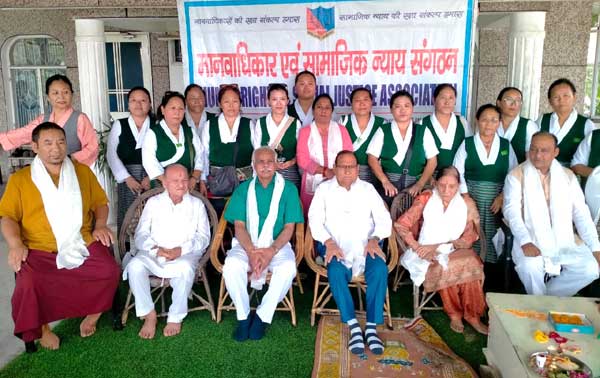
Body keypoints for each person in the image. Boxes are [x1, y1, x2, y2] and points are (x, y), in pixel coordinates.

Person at [0, 122, 120, 350]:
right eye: (48, 143)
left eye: (61, 141)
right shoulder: (20, 180)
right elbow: (7, 217)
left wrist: (101, 225)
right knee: (29, 283)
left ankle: (93, 314)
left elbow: (100, 203)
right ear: (34, 146)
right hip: (38, 247)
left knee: (109, 270)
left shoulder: (82, 171)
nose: (56, 148)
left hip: (80, 239)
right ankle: (42, 327)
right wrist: (15, 244)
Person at [308, 150, 391, 355]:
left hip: (366, 246)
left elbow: (384, 219)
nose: (347, 170)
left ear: (357, 169)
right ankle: (354, 327)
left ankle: (371, 328)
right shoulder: (324, 189)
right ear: (335, 168)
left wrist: (375, 239)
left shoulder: (368, 189)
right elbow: (314, 220)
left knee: (379, 270)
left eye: (351, 166)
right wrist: (329, 242)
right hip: (336, 247)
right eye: (342, 166)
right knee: (335, 272)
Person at [503, 131, 600, 296]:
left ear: (556, 152)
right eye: (533, 149)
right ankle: (541, 303)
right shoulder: (516, 175)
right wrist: (525, 241)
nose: (537, 155)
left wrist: (595, 247)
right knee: (530, 267)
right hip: (529, 237)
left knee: (590, 268)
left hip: (564, 238)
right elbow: (511, 212)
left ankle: (544, 299)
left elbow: (581, 213)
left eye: (544, 150)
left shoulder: (567, 176)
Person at [222, 147, 303, 341]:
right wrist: (251, 251)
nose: (266, 165)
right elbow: (239, 226)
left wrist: (271, 251)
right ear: (254, 165)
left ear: (276, 164)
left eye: (270, 161)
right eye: (261, 161)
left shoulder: (289, 189)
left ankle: (261, 317)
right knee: (232, 266)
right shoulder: (243, 189)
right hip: (246, 244)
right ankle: (243, 317)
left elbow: (289, 228)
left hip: (277, 246)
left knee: (287, 268)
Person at [395, 167, 487, 335]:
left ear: (458, 186)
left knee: (468, 261)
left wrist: (445, 244)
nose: (446, 190)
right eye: (442, 185)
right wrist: (417, 247)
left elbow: (471, 234)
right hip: (423, 249)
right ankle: (455, 314)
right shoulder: (426, 198)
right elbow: (401, 224)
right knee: (445, 265)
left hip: (453, 247)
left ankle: (473, 315)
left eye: (451, 186)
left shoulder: (465, 203)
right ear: (435, 183)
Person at [123, 164, 211, 339]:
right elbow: (141, 234)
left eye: (184, 180)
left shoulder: (197, 204)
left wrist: (181, 250)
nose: (181, 184)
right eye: (175, 181)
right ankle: (149, 314)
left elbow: (204, 237)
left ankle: (175, 316)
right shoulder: (153, 203)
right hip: (154, 253)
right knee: (135, 266)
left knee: (185, 269)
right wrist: (156, 250)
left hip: (185, 255)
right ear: (165, 183)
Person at [453, 104, 517, 292]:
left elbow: (513, 174)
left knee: (494, 236)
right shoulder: (467, 144)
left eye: (494, 120)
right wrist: (467, 198)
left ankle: (491, 281)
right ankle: (470, 281)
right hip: (471, 197)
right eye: (484, 119)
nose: (489, 124)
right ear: (477, 121)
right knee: (472, 233)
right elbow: (458, 171)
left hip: (497, 201)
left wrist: (503, 195)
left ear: (499, 122)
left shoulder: (505, 145)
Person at [0, 74, 98, 166]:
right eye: (55, 93)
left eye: (66, 92)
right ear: (48, 97)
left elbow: (93, 147)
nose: (61, 97)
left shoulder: (80, 119)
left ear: (72, 94)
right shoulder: (43, 120)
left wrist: (71, 159)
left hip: (74, 171)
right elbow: (23, 133)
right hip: (47, 173)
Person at [367, 90, 438, 205]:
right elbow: (372, 158)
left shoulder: (422, 130)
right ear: (391, 110)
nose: (402, 110)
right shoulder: (384, 130)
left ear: (412, 108)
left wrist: (420, 184)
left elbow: (432, 161)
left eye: (406, 105)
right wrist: (385, 181)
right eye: (397, 106)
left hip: (415, 189)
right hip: (389, 189)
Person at [107, 86, 153, 233]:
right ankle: (126, 250)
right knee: (128, 214)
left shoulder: (157, 124)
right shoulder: (120, 124)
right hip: (128, 176)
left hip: (151, 176)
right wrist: (127, 178)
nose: (138, 104)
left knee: (151, 213)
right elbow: (111, 154)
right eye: (133, 100)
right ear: (128, 104)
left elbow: (163, 154)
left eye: (143, 100)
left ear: (150, 104)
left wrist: (151, 177)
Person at [296, 93, 352, 213]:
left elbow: (349, 155)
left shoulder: (342, 130)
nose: (323, 111)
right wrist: (325, 171)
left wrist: (336, 172)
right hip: (312, 180)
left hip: (338, 177)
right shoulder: (305, 131)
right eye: (319, 107)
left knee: (337, 212)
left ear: (332, 111)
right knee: (312, 214)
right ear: (313, 110)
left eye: (327, 108)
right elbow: (302, 159)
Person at [142, 91, 204, 193]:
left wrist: (193, 178)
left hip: (188, 186)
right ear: (163, 110)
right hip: (162, 187)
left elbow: (200, 156)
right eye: (173, 108)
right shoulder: (153, 133)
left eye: (181, 108)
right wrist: (166, 182)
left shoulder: (189, 132)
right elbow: (149, 161)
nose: (177, 112)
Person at [201, 84, 255, 199]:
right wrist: (202, 180)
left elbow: (256, 154)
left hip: (245, 184)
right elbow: (203, 155)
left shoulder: (248, 124)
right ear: (220, 104)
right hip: (218, 184)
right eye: (226, 102)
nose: (231, 105)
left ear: (240, 103)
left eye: (235, 101)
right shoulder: (210, 125)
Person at [537, 78, 596, 166]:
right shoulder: (542, 120)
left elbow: (591, 155)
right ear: (550, 101)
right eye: (556, 97)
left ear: (574, 97)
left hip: (572, 174)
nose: (561, 100)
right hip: (542, 171)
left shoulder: (586, 124)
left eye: (566, 96)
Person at [252, 83, 301, 187]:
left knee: (288, 200)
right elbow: (256, 152)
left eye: (282, 99)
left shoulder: (295, 123)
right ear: (268, 101)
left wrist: (292, 162)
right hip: (266, 171)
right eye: (274, 99)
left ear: (287, 101)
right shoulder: (261, 123)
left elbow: (301, 151)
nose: (279, 103)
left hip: (289, 172)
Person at [339, 87, 385, 183]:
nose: (362, 103)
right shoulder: (344, 121)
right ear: (351, 104)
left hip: (374, 172)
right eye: (357, 100)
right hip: (347, 172)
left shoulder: (382, 123)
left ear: (371, 102)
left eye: (365, 99)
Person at [421, 84, 471, 170]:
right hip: (430, 178)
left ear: (455, 101)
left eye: (451, 98)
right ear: (434, 99)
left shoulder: (462, 122)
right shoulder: (423, 123)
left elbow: (470, 150)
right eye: (443, 97)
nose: (447, 102)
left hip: (456, 178)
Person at [495, 86, 538, 164]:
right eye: (509, 99)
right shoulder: (491, 123)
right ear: (499, 103)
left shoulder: (528, 125)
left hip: (518, 173)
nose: (513, 104)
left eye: (518, 100)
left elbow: (531, 158)